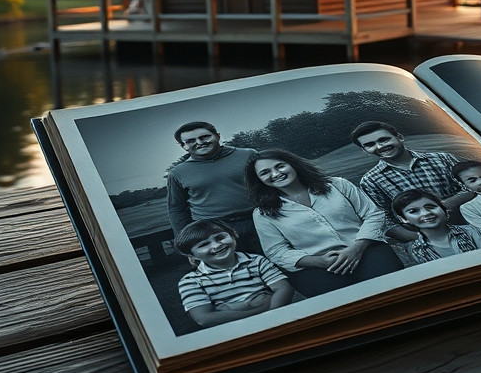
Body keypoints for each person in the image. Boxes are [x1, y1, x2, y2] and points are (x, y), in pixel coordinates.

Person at [246, 149, 403, 296]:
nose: (275, 174)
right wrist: (319, 261)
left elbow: (373, 214)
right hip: (315, 265)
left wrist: (357, 248)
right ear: (258, 180)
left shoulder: (337, 185)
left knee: (391, 291)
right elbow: (277, 251)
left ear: (293, 164)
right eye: (265, 172)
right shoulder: (263, 213)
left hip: (366, 248)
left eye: (280, 166)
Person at [352, 121, 473, 241]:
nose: (379, 147)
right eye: (370, 145)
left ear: (399, 137)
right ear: (365, 150)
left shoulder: (442, 158)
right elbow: (386, 221)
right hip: (425, 238)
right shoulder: (370, 181)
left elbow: (473, 187)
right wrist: (427, 239)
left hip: (470, 223)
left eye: (383, 140)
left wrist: (444, 205)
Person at [174, 218, 295, 328]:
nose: (217, 245)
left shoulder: (257, 261)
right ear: (192, 256)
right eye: (204, 244)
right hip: (233, 331)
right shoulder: (191, 281)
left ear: (233, 235)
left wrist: (272, 316)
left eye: (220, 237)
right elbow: (204, 319)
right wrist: (260, 311)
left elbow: (284, 289)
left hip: (276, 322)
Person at [165, 121, 260, 251]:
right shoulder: (177, 173)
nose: (200, 142)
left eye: (204, 137)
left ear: (218, 136)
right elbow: (176, 209)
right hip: (213, 231)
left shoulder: (248, 155)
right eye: (191, 141)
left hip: (259, 220)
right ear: (183, 146)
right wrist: (185, 243)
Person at [391, 189, 481, 264]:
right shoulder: (415, 250)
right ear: (404, 219)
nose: (426, 213)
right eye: (414, 211)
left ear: (443, 209)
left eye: (431, 207)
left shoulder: (471, 231)